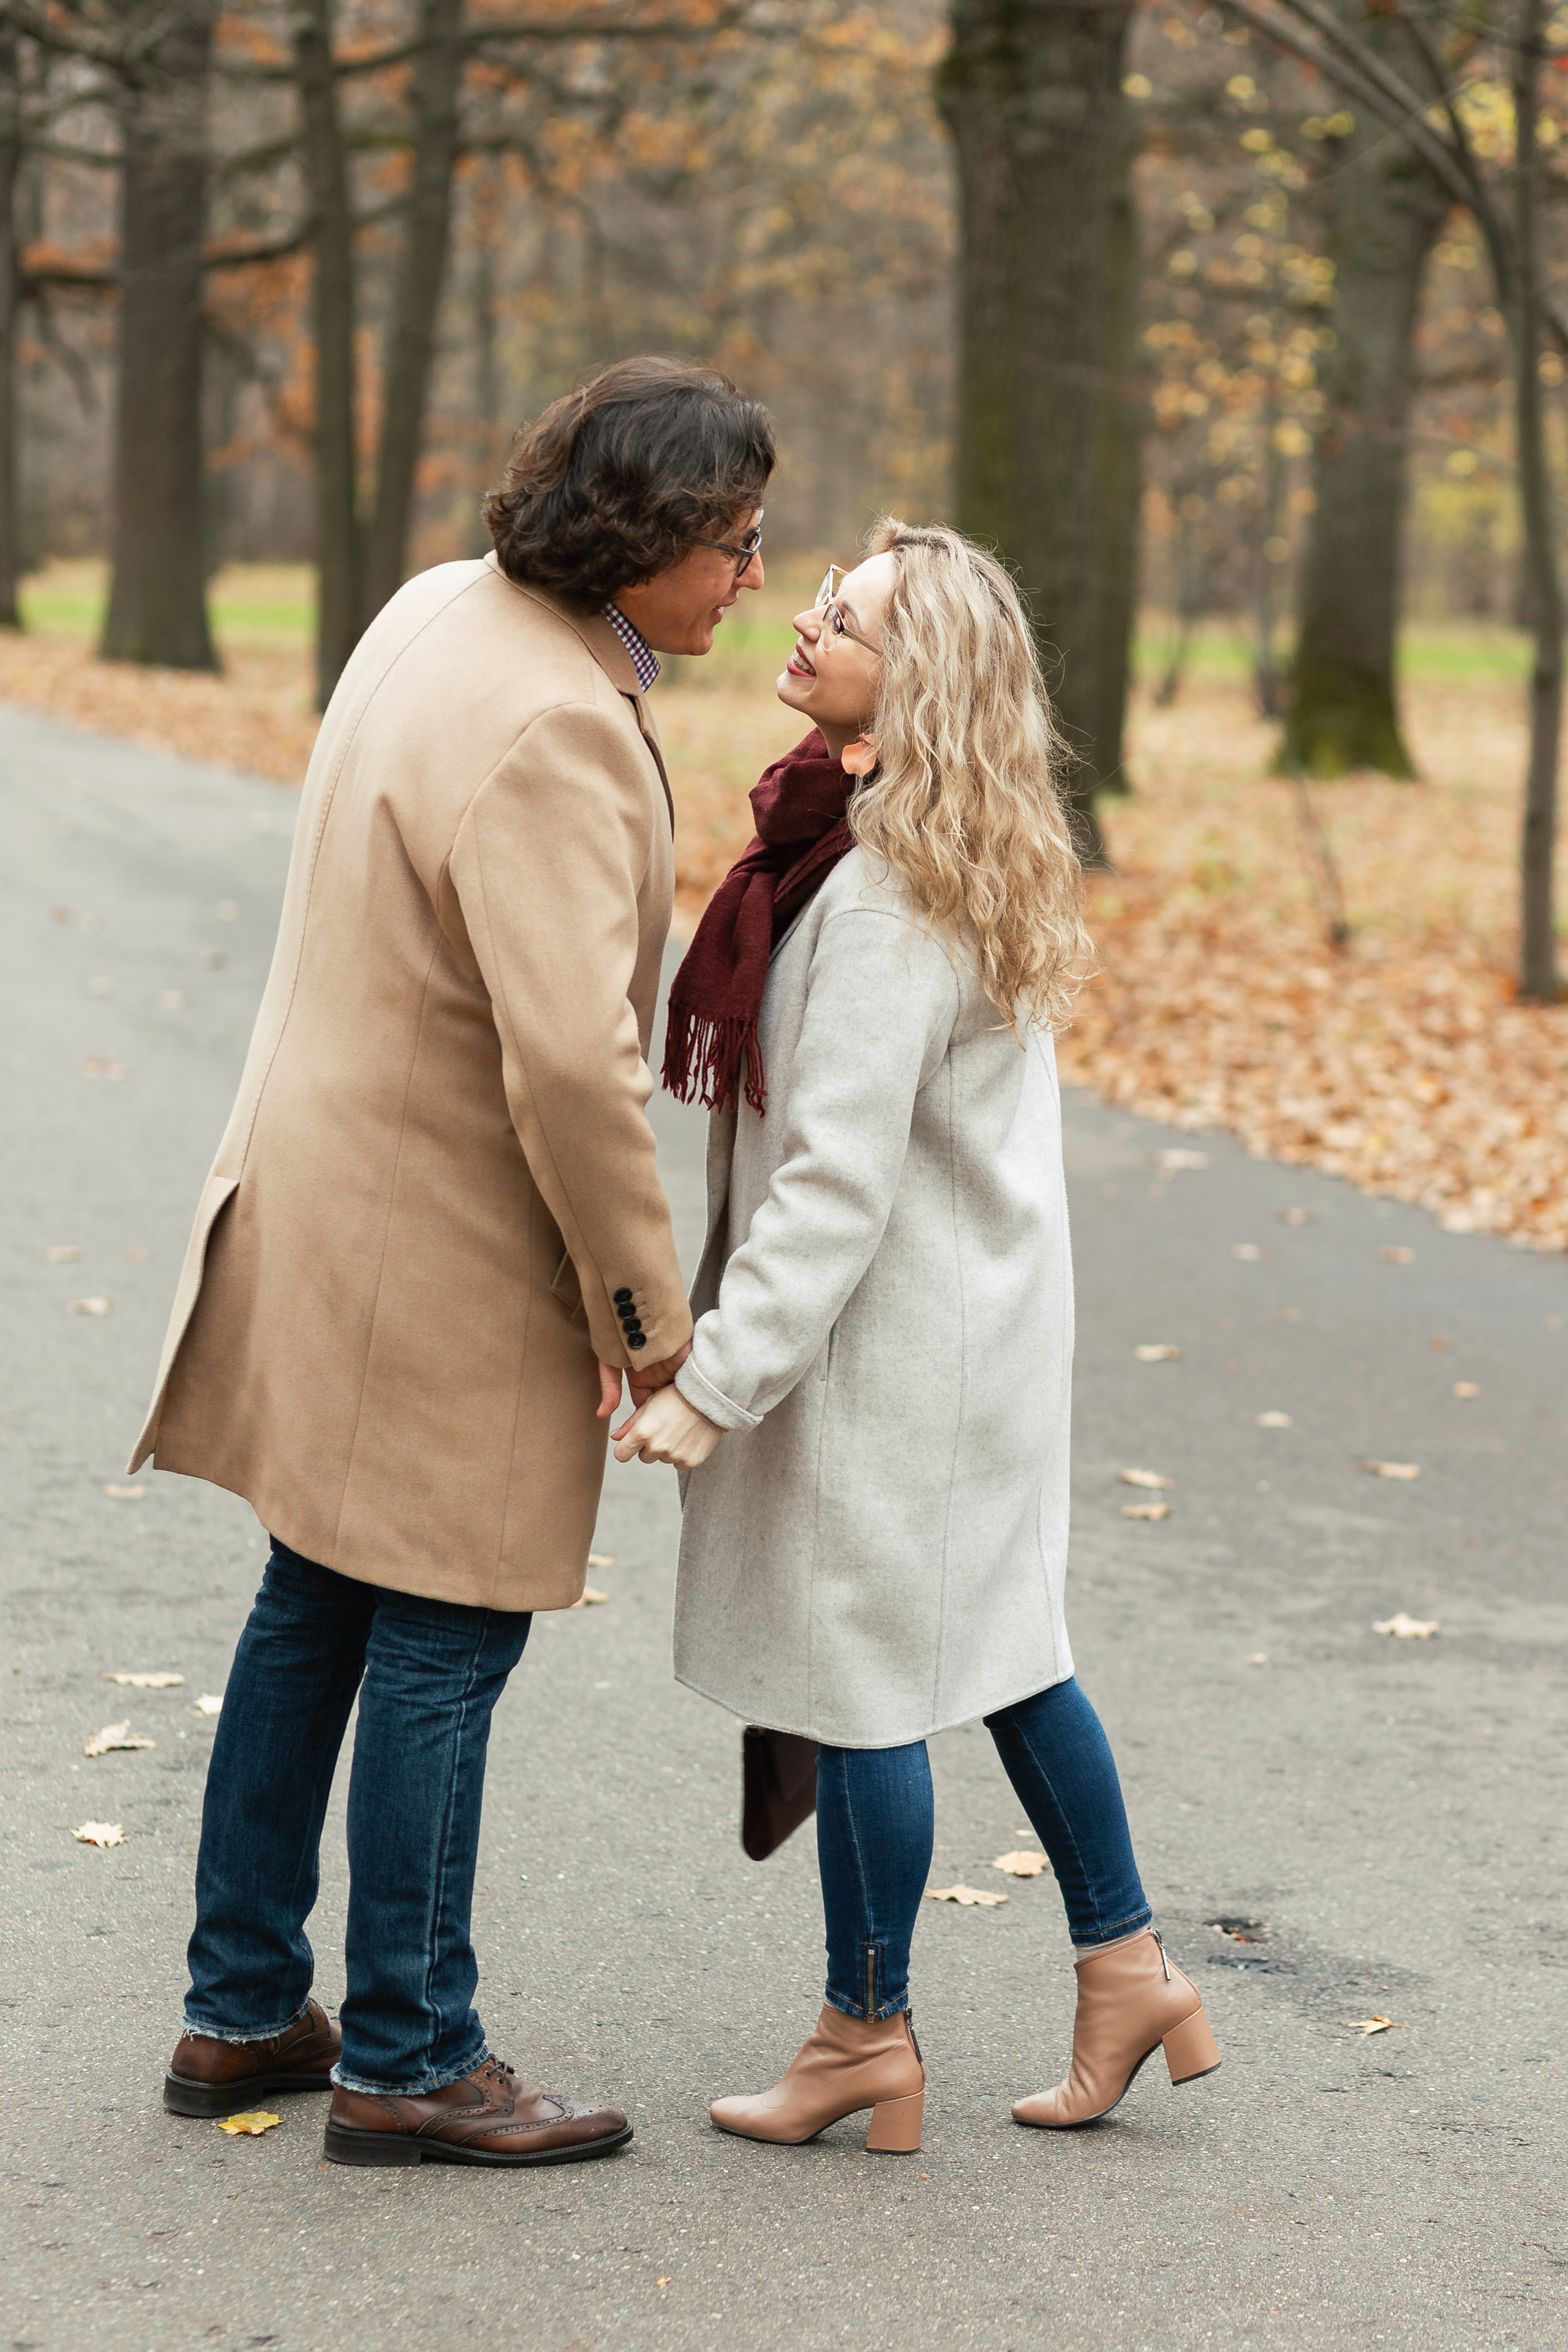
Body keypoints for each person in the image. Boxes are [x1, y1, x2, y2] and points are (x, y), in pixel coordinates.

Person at [129, 357, 774, 2168]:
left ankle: (244, 2005)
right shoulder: (558, 721)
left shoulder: (438, 613)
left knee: (315, 1600)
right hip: (442, 1244)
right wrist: (647, 1322)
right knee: (444, 1633)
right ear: (638, 539)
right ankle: (411, 2052)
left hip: (324, 1190)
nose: (750, 574)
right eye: (730, 542)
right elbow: (570, 1062)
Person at [614, 520, 1221, 2152]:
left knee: (867, 1678)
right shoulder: (910, 844)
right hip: (969, 1327)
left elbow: (833, 1188)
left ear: (922, 685)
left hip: (898, 1346)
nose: (805, 620)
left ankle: (863, 2035)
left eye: (851, 619)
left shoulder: (881, 892)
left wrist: (715, 1385)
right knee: (1006, 1652)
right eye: (817, 597)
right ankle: (1130, 1966)